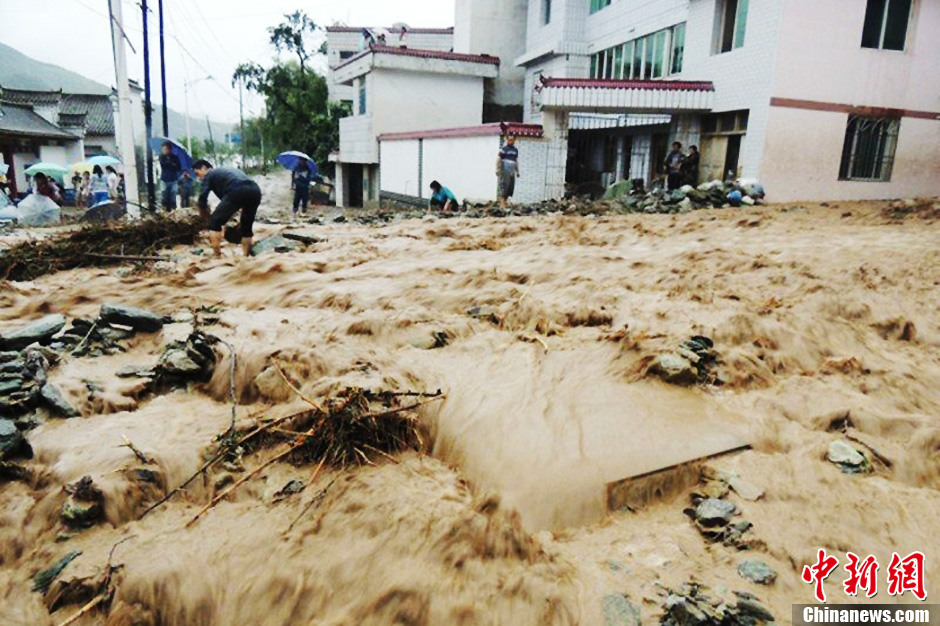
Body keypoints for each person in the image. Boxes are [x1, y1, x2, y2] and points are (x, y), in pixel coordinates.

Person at [193, 159, 262, 257]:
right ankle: (246, 258)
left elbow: (202, 198)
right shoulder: (224, 172)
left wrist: (205, 217)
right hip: (255, 190)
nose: (198, 177)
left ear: (204, 168)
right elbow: (231, 203)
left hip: (237, 189)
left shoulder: (209, 174)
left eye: (197, 173)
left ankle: (217, 257)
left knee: (214, 223)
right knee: (246, 229)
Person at [496, 134, 520, 209]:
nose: (511, 141)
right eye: (509, 140)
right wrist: (497, 169)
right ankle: (502, 204)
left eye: (512, 140)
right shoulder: (504, 149)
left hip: (512, 171)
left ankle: (505, 202)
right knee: (504, 186)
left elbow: (515, 161)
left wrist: (517, 171)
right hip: (505, 170)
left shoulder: (515, 150)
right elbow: (498, 159)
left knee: (510, 187)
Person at [159, 141, 182, 210]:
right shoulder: (161, 157)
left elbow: (178, 167)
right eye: (163, 149)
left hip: (173, 179)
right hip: (164, 179)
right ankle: (165, 209)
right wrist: (171, 164)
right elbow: (164, 165)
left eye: (166, 149)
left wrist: (171, 164)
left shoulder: (175, 157)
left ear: (170, 149)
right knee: (164, 195)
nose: (164, 151)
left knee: (173, 195)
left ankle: (173, 209)